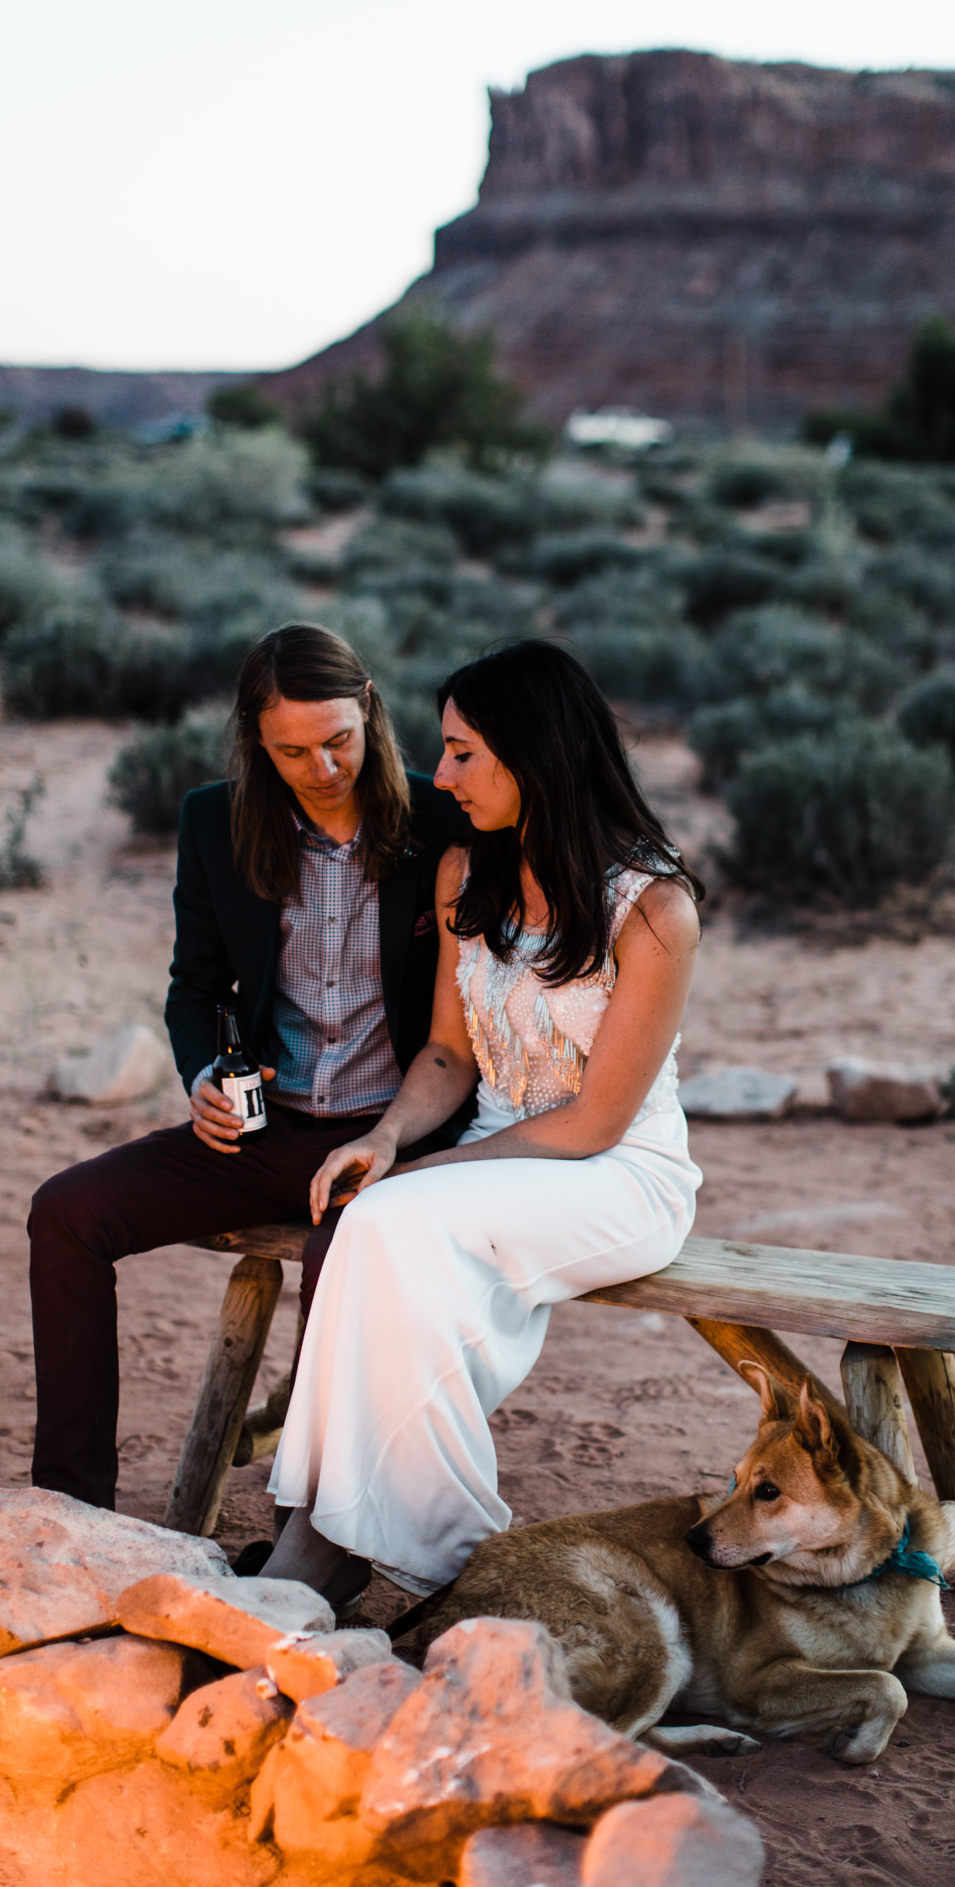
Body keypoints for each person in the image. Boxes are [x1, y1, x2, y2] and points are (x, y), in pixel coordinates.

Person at [262, 639, 704, 1608]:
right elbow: (449, 1055)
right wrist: (386, 1139)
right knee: (373, 1227)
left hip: (619, 1173)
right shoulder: (466, 871)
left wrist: (429, 1178)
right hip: (496, 1158)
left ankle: (431, 1552)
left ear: (535, 753)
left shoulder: (653, 907)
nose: (443, 773)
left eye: (463, 751)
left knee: (384, 1223)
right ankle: (333, 1532)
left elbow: (596, 1120)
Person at [26, 624, 468, 1512]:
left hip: (393, 1141)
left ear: (369, 711)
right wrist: (198, 1078)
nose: (322, 767)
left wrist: (394, 1140)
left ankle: (309, 1524)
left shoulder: (444, 819)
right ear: (255, 742)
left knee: (342, 1258)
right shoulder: (213, 822)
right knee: (66, 1214)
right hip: (265, 1130)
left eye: (338, 739)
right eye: (291, 750)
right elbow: (193, 988)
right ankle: (70, 1509)